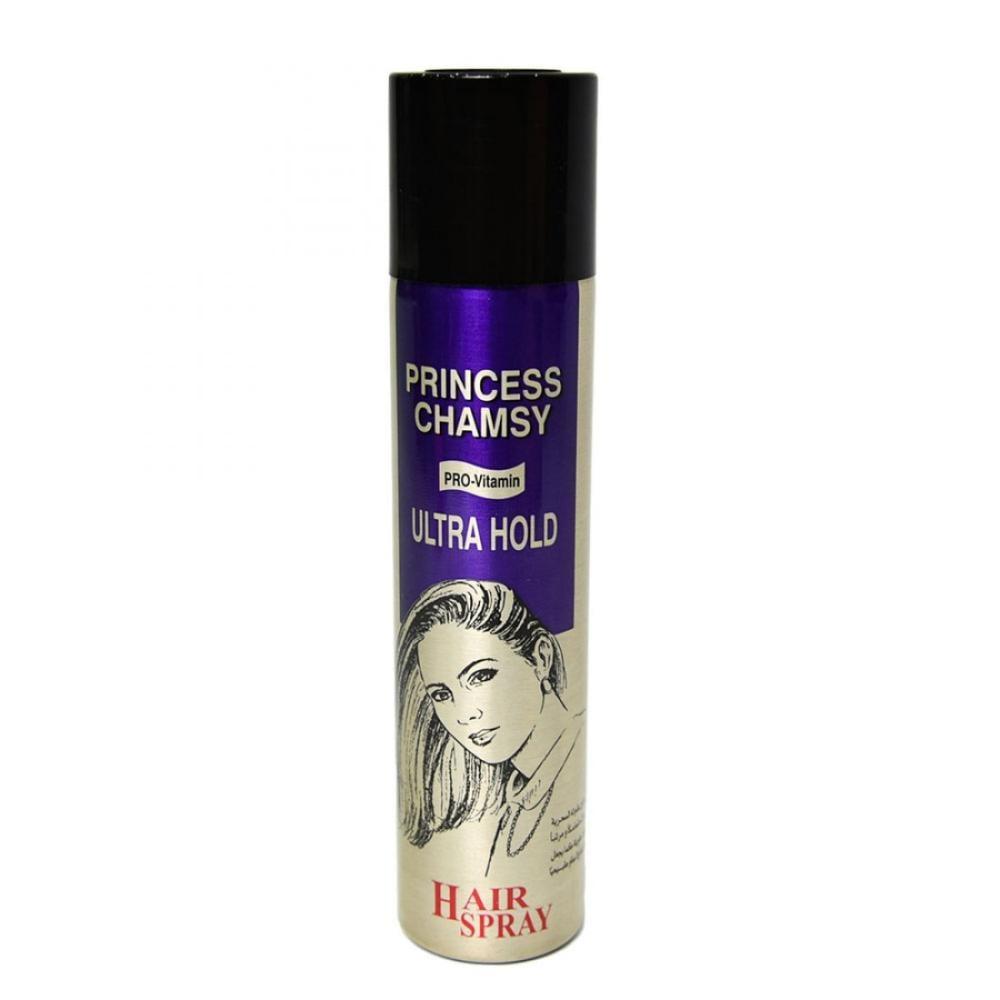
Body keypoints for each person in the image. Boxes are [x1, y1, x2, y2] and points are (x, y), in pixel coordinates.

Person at [396, 579, 582, 874]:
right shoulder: (516, 790)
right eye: (441, 695)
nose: (464, 715)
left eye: (481, 676)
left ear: (540, 658)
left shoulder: (569, 766)